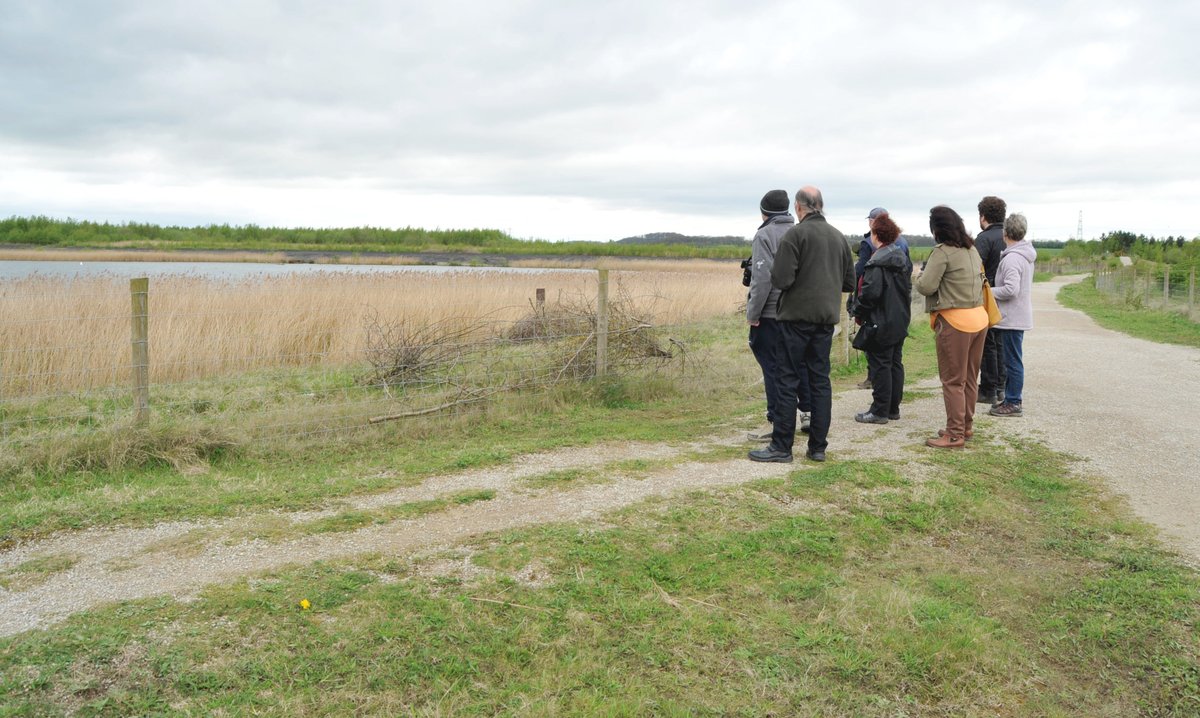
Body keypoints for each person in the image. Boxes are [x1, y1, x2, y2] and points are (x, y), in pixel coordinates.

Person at [749, 186, 855, 463]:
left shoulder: (795, 235)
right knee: (820, 381)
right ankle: (817, 446)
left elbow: (781, 280)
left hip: (794, 319)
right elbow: (849, 282)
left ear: (798, 207)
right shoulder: (838, 237)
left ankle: (781, 446)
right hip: (825, 320)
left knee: (787, 379)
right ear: (821, 205)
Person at [914, 205, 988, 448]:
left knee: (952, 380)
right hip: (979, 318)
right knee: (968, 377)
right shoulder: (972, 250)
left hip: (955, 322)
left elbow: (926, 286)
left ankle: (954, 434)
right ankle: (965, 425)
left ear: (937, 229)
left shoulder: (943, 253)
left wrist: (917, 275)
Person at [746, 189, 810, 436]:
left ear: (764, 212)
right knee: (799, 363)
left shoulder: (765, 235)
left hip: (772, 312)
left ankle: (776, 421)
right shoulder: (800, 232)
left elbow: (761, 279)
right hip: (799, 311)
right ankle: (806, 413)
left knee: (772, 368)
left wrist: (753, 314)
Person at [851, 213, 912, 424]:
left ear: (877, 235)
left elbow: (870, 294)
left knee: (880, 365)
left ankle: (879, 410)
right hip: (899, 318)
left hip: (880, 320)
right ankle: (892, 407)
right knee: (895, 362)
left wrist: (857, 310)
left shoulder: (877, 262)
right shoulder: (901, 258)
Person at [988, 213, 1036, 417]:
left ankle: (1014, 401)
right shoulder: (1024, 254)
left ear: (1005, 233)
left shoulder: (1013, 258)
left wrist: (988, 291)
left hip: (1012, 317)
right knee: (1012, 359)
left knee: (1012, 361)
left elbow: (1010, 289)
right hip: (1017, 315)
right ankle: (1010, 398)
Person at [975, 196, 1007, 405]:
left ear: (982, 216)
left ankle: (988, 388)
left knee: (988, 344)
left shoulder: (984, 239)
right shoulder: (1008, 237)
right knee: (1001, 343)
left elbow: (975, 268)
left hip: (988, 295)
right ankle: (1001, 387)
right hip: (1005, 298)